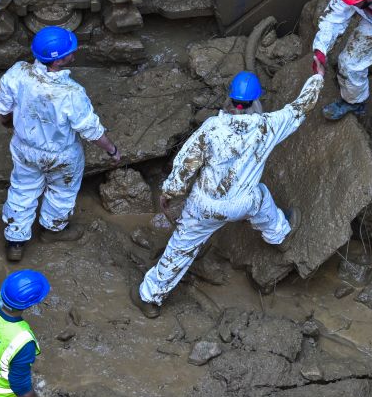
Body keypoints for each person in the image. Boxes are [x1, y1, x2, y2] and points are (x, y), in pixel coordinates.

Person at [132, 70, 322, 318]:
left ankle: (149, 298)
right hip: (241, 204)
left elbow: (185, 165)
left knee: (180, 248)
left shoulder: (212, 128)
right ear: (256, 102)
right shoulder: (268, 126)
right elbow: (300, 107)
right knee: (261, 196)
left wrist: (169, 193)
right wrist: (317, 77)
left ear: (230, 100)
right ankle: (278, 234)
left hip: (203, 206)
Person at [0, 26, 121, 262]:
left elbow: (3, 109)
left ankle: (15, 241)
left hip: (24, 149)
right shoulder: (72, 92)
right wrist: (111, 150)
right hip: (62, 155)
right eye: (70, 52)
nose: (74, 54)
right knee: (62, 192)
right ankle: (53, 230)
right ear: (59, 60)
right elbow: (90, 130)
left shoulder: (18, 73)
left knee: (22, 190)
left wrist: (9, 123)